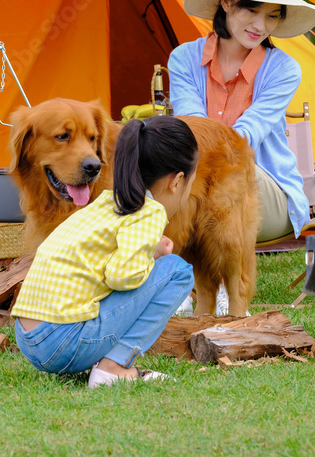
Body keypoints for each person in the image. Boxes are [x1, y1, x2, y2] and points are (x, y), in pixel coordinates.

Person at [12, 116, 197, 387]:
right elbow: (122, 276)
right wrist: (153, 254)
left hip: (29, 339)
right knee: (179, 271)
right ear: (177, 181)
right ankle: (114, 368)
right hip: (60, 344)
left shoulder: (106, 203)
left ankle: (102, 361)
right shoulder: (149, 211)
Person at [168, 0, 315, 250]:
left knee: (232, 169)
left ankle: (221, 285)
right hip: (199, 189)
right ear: (226, 2)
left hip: (267, 195)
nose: (260, 25)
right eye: (251, 9)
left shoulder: (284, 69)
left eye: (273, 16)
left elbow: (247, 135)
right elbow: (192, 128)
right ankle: (175, 286)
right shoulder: (184, 59)